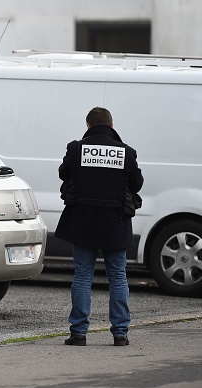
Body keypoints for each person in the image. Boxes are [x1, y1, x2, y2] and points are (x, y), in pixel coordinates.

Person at [55, 107, 144, 346]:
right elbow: (137, 183)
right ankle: (120, 333)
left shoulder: (76, 149)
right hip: (116, 223)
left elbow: (63, 174)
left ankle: (79, 333)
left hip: (84, 222)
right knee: (118, 277)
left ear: (88, 126)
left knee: (83, 276)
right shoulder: (127, 152)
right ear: (111, 126)